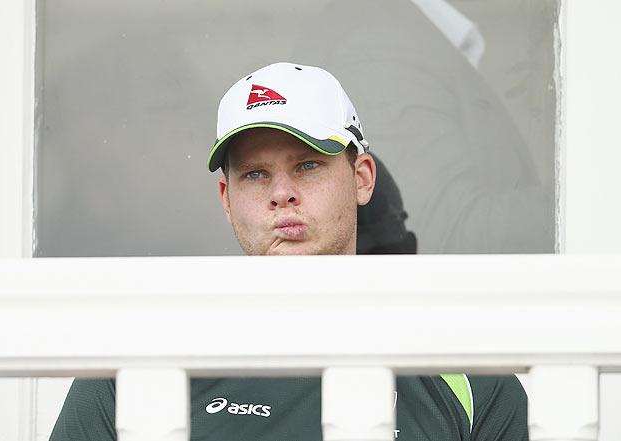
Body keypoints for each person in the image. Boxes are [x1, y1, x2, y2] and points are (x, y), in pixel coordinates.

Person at [49, 62, 527, 441]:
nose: (281, 193)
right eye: (255, 174)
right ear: (227, 199)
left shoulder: (470, 376)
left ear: (361, 178)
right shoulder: (133, 364)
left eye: (307, 165)